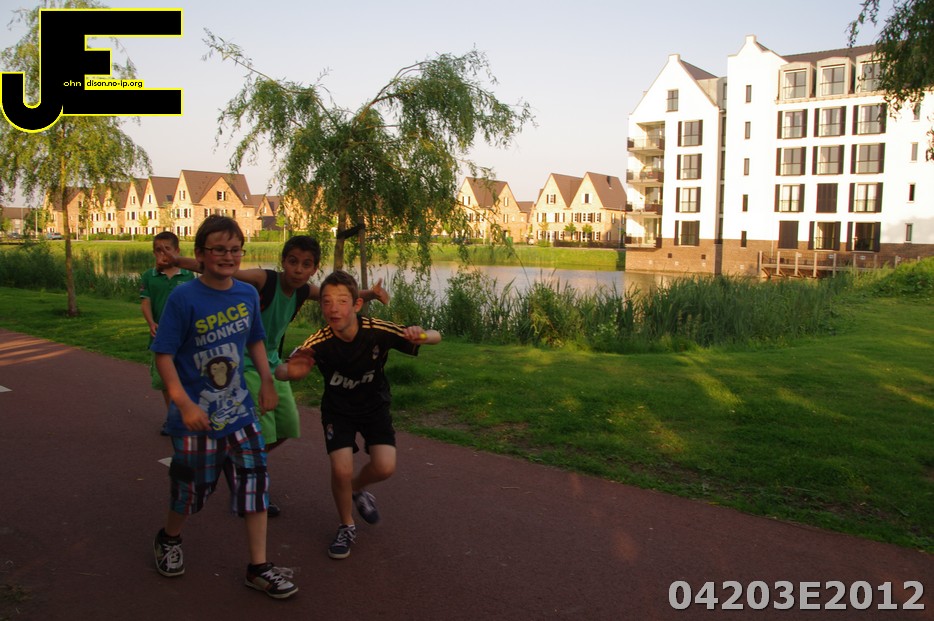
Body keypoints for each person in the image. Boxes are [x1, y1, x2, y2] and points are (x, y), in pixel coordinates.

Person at [169, 235, 389, 517]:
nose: (298, 269)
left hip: (272, 362)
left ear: (314, 269)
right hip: (243, 363)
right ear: (283, 261)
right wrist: (176, 260)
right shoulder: (265, 280)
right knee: (261, 430)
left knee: (288, 426)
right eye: (293, 262)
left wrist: (371, 294)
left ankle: (236, 458)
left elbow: (335, 292)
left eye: (306, 265)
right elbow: (224, 270)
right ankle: (250, 482)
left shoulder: (303, 291)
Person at [150, 215, 298, 599]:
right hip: (195, 418)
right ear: (200, 254)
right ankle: (169, 537)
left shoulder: (246, 294)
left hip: (240, 411)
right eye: (219, 249)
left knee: (255, 483)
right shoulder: (184, 298)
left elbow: (255, 340)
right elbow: (163, 355)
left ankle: (258, 567)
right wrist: (183, 404)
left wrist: (267, 381)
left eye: (235, 250)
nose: (228, 257)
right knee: (190, 489)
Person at [275, 270, 441, 559]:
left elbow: (437, 337)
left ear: (357, 305)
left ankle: (356, 488)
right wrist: (290, 371)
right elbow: (283, 368)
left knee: (384, 467)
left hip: (375, 406)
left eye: (342, 301)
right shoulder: (318, 341)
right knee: (341, 469)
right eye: (326, 302)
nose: (333, 308)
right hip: (338, 411)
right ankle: (346, 525)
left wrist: (422, 334)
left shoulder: (376, 329)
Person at [139, 231, 195, 434]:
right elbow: (146, 302)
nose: (162, 254)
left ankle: (185, 415)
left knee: (185, 376)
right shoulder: (149, 276)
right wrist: (151, 323)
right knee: (165, 380)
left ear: (177, 251)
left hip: (184, 337)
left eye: (167, 249)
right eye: (158, 250)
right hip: (161, 335)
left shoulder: (188, 275)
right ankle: (172, 418)